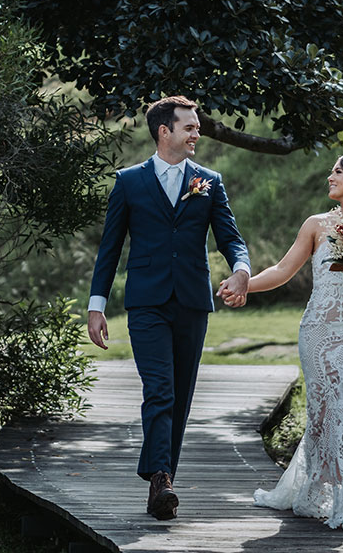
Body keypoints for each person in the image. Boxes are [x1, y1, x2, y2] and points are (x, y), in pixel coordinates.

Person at [87, 95, 251, 521]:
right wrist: (96, 305)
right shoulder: (129, 181)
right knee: (159, 389)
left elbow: (230, 237)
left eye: (196, 127)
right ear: (165, 131)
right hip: (146, 302)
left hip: (193, 302)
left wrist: (241, 268)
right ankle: (161, 478)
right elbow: (110, 248)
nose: (198, 133)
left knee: (179, 396)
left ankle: (161, 482)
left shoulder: (209, 181)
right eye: (190, 127)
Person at [235, 153, 343, 531]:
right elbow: (284, 270)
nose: (329, 177)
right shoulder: (316, 226)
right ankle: (316, 494)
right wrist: (245, 284)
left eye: (337, 171)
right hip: (319, 331)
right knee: (322, 413)